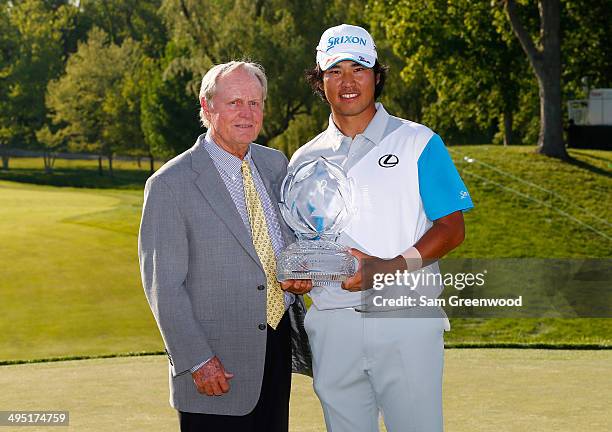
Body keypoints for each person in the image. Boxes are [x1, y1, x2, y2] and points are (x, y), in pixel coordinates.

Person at [287, 24, 474, 431]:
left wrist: (384, 268)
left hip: (405, 318)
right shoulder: (303, 158)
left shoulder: (419, 142)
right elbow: (303, 239)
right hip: (332, 323)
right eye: (335, 71)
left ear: (376, 75)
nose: (348, 82)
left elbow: (451, 229)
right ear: (320, 81)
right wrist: (298, 272)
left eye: (359, 69)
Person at [138, 60, 311, 432]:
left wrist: (297, 272)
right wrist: (198, 360)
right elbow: (163, 288)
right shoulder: (170, 184)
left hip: (275, 351)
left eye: (255, 103)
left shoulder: (274, 163)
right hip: (214, 365)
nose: (247, 113)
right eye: (234, 102)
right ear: (207, 106)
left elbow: (287, 241)